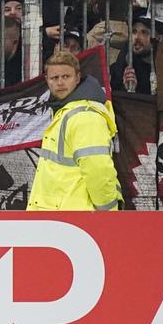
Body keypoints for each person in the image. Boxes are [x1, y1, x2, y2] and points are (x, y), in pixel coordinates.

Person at [25, 50, 121, 211]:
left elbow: (98, 169)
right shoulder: (66, 111)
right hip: (64, 217)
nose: (60, 83)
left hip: (75, 217)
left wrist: (108, 213)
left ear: (77, 78)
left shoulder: (85, 116)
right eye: (55, 78)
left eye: (66, 77)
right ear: (47, 81)